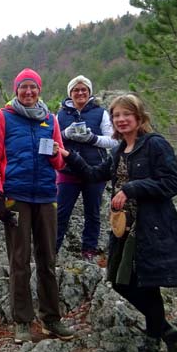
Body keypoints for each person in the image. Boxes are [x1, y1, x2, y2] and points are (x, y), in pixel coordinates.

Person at [60, 94, 177, 352]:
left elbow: (171, 183)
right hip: (125, 231)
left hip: (152, 228)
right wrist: (69, 156)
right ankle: (175, 339)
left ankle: (152, 351)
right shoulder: (119, 150)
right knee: (122, 282)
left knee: (147, 285)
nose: (121, 120)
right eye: (116, 116)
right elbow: (93, 174)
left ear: (138, 117)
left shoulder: (154, 144)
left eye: (126, 114)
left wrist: (132, 188)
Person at [0, 68, 75, 344]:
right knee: (20, 260)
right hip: (16, 196)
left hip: (47, 195)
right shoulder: (3, 117)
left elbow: (59, 163)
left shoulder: (50, 119)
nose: (28, 92)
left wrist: (59, 156)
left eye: (33, 88)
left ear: (39, 90)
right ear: (16, 90)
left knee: (48, 259)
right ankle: (22, 321)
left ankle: (51, 319)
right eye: (23, 87)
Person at [56, 75, 119, 262]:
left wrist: (92, 139)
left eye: (84, 89)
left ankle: (89, 250)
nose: (80, 93)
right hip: (67, 170)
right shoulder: (60, 115)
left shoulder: (101, 113)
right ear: (70, 93)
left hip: (95, 170)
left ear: (90, 92)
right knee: (61, 212)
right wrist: (65, 134)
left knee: (92, 213)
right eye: (76, 90)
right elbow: (53, 140)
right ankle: (52, 249)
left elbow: (113, 140)